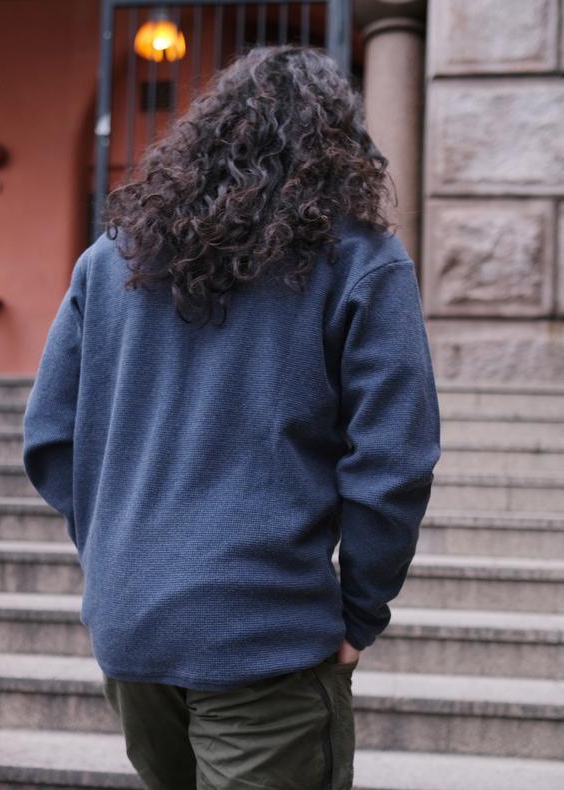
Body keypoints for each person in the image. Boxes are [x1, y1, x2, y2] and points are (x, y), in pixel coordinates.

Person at [22, 43, 441, 790]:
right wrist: (360, 614)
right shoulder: (360, 259)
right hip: (264, 633)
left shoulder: (110, 261)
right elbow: (393, 460)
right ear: (338, 147)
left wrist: (124, 554)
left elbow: (50, 438)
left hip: (132, 620)